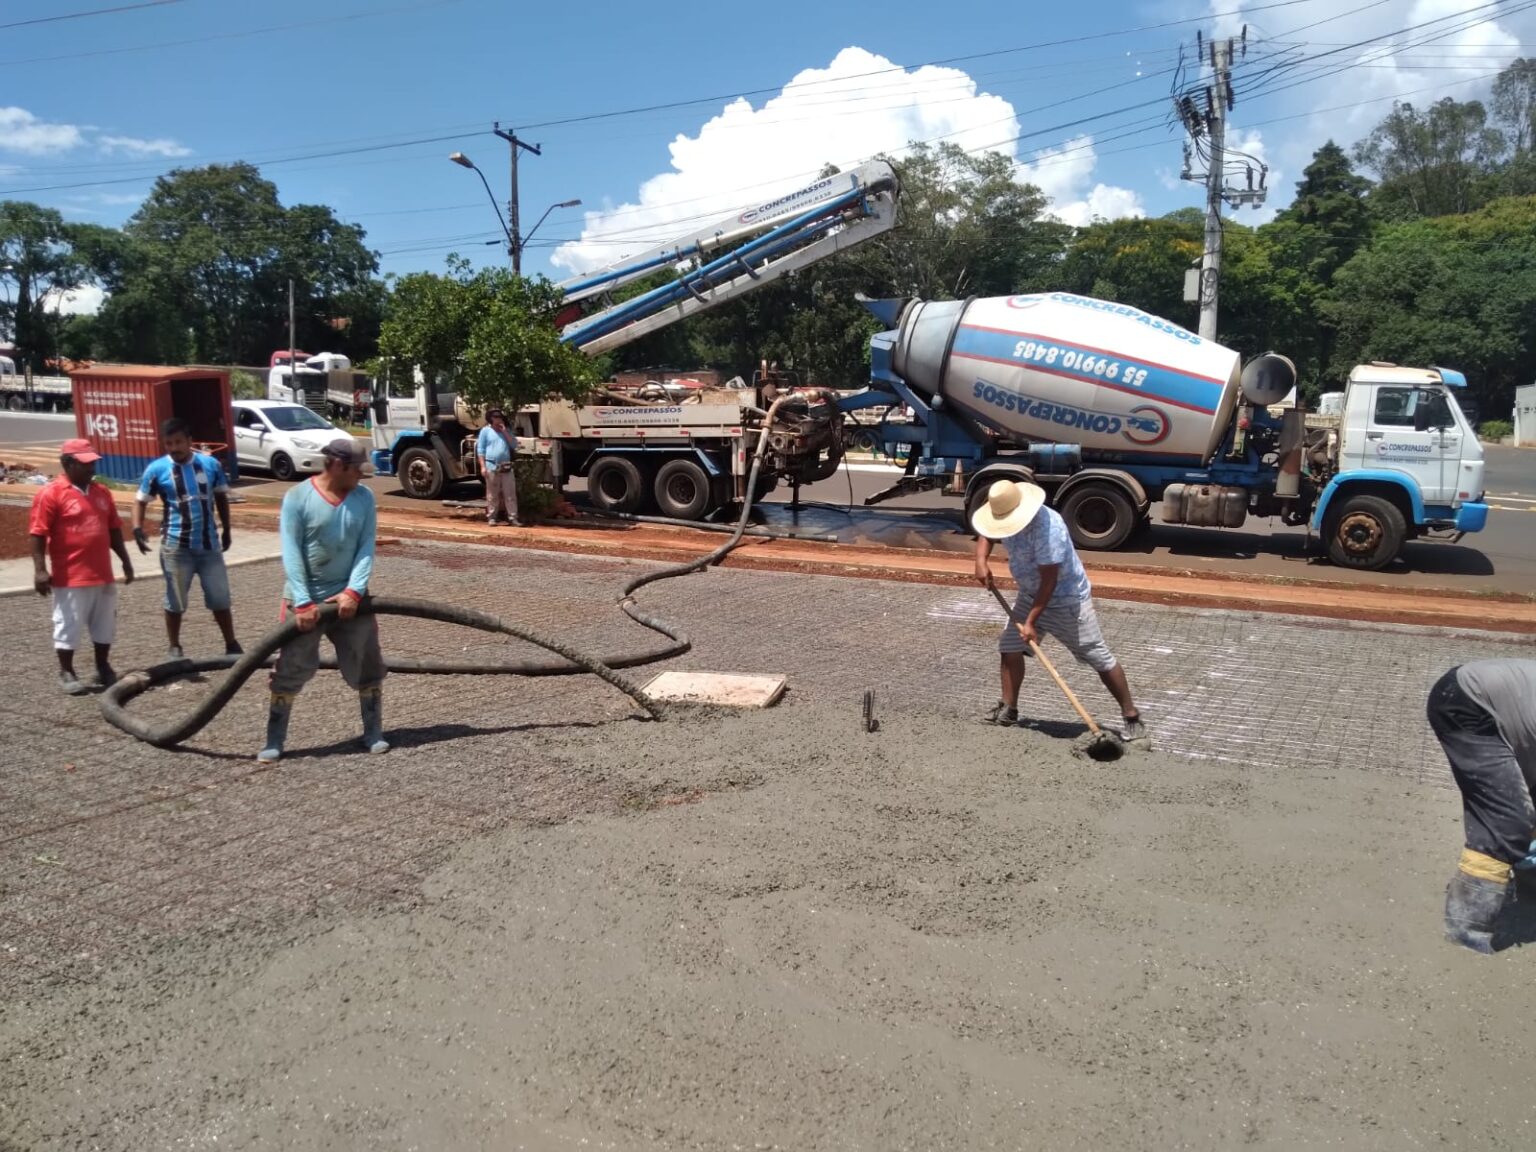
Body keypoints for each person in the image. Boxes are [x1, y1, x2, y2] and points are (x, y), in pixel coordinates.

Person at [972, 479, 1145, 737]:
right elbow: (987, 533)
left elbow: (1049, 581)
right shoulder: (1002, 510)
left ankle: (1132, 717)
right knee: (1009, 647)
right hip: (1031, 594)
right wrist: (980, 560)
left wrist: (1031, 622)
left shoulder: (1048, 528)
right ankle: (1009, 708)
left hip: (1067, 600)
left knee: (1098, 656)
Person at [261, 438, 387, 763]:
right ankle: (274, 739)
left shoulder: (363, 499)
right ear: (337, 465)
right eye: (357, 470)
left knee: (367, 660)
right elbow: (291, 553)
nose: (361, 476)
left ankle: (373, 731)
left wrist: (353, 591)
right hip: (307, 599)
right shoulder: (298, 499)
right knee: (291, 665)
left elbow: (365, 548)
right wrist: (303, 602)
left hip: (350, 598)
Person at [1427, 660, 1536, 954]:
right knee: (1505, 824)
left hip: (1501, 708)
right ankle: (1465, 932)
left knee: (1526, 806)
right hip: (1468, 703)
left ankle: (1530, 889)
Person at [29, 438, 135, 694]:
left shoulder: (101, 492)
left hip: (102, 572)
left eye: (92, 463)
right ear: (67, 463)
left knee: (105, 622)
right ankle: (67, 671)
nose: (91, 469)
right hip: (71, 575)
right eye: (85, 464)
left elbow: (113, 529)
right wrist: (40, 569)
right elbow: (37, 533)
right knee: (69, 623)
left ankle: (103, 666)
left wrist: (125, 560)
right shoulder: (51, 494)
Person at [132, 417, 242, 660]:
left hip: (208, 546)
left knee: (220, 596)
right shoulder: (157, 469)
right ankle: (175, 646)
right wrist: (137, 528)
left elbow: (221, 497)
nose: (174, 448)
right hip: (176, 547)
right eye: (169, 443)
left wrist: (227, 530)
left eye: (179, 442)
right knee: (176, 598)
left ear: (189, 441)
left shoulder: (210, 465)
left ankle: (231, 643)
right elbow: (140, 500)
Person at [476, 408, 519, 526]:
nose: (497, 419)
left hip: (505, 465)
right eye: (495, 417)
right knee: (492, 494)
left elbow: (514, 444)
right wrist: (482, 466)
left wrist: (505, 431)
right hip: (491, 465)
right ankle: (492, 517)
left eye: (499, 417)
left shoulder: (506, 431)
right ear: (490, 418)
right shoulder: (485, 431)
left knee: (510, 493)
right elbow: (481, 449)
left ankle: (513, 517)